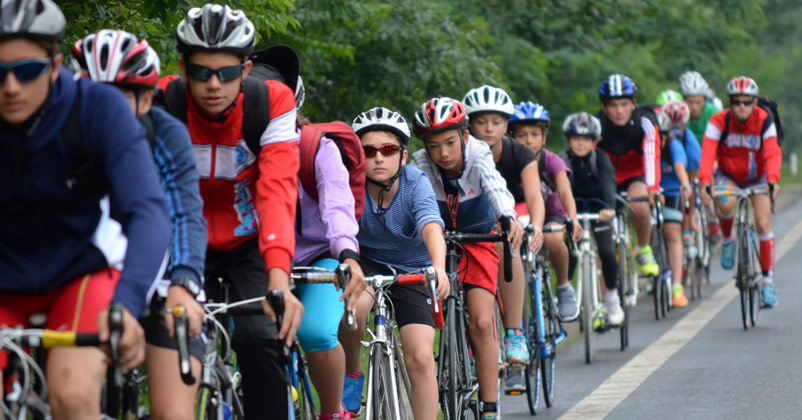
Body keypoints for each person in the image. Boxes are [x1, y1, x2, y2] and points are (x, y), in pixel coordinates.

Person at [0, 1, 170, 418]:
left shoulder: (97, 109)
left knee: (73, 395)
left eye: (27, 70)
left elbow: (148, 212)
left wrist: (127, 304)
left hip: (78, 273)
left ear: (56, 66)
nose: (11, 87)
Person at [160, 4, 304, 417]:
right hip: (183, 239)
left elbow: (277, 191)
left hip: (250, 239)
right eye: (201, 72)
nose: (213, 84)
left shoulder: (271, 101)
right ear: (183, 69)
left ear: (245, 70)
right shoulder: (162, 100)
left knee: (261, 337)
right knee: (170, 338)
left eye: (226, 73)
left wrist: (279, 281)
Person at [72, 30, 207, 420]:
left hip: (162, 280)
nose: (104, 113)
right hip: (90, 278)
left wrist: (184, 282)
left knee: (173, 412)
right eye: (94, 97)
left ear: (145, 100)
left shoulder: (166, 135)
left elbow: (184, 213)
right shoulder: (64, 136)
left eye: (117, 99)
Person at [412, 97, 524, 420]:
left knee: (481, 321)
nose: (443, 153)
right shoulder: (420, 164)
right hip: (438, 241)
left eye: (450, 142)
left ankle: (489, 408)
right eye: (434, 146)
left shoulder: (478, 153)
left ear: (464, 135)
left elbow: (495, 185)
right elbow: (413, 202)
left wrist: (507, 215)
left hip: (478, 238)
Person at [341, 106, 449, 419]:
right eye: (368, 151)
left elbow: (431, 226)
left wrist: (439, 267)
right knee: (354, 309)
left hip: (414, 270)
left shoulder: (416, 182)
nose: (378, 158)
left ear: (403, 156)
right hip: (367, 264)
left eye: (388, 150)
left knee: (421, 356)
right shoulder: (349, 183)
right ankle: (352, 371)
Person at [461, 87, 545, 391]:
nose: (488, 129)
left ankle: (514, 333)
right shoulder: (460, 152)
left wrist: (536, 226)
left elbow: (534, 195)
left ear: (506, 125)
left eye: (496, 122)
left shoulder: (520, 153)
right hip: (474, 220)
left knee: (507, 244)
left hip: (511, 216)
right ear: (470, 125)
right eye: (481, 122)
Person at [293, 82, 365, 420]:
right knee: (249, 335)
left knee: (316, 331)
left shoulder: (318, 148)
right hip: (259, 259)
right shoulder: (240, 149)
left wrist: (348, 255)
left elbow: (337, 207)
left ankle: (333, 412)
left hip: (319, 255)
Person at [700, 76, 781, 308]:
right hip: (729, 176)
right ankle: (728, 240)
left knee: (763, 224)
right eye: (737, 102)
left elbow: (772, 152)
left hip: (758, 177)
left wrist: (773, 180)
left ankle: (768, 282)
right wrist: (705, 181)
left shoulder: (764, 119)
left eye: (747, 102)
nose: (742, 106)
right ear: (730, 103)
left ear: (755, 102)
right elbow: (707, 153)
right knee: (724, 203)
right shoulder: (718, 121)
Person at [560, 112, 624, 325]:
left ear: (594, 141)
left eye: (586, 139)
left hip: (600, 210)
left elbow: (609, 182)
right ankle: (565, 292)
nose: (580, 143)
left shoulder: (600, 158)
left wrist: (609, 208)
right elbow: (558, 187)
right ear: (569, 139)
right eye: (576, 138)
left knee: (606, 252)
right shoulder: (563, 159)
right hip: (574, 211)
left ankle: (612, 298)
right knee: (570, 252)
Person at [597, 74, 661, 278]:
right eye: (613, 105)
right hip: (607, 178)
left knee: (640, 204)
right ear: (604, 107)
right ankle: (605, 293)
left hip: (635, 175)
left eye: (624, 104)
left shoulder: (645, 121)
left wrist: (652, 188)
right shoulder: (597, 125)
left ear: (633, 104)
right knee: (602, 234)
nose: (619, 111)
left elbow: (652, 153)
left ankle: (642, 248)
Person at [679, 70, 723, 243]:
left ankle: (715, 218)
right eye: (690, 102)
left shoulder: (713, 113)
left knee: (716, 182)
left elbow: (721, 141)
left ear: (705, 100)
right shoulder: (681, 115)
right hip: (689, 160)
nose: (694, 107)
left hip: (712, 157)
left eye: (698, 102)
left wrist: (716, 163)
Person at [655, 112, 691, 308]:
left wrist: (685, 185)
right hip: (651, 193)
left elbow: (680, 168)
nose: (658, 140)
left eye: (662, 136)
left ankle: (677, 286)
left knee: (672, 233)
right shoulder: (644, 147)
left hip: (672, 191)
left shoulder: (674, 146)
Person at [661, 100, 702, 258]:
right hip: (667, 178)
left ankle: (689, 225)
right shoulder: (663, 137)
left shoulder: (688, 138)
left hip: (684, 171)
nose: (675, 131)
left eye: (679, 126)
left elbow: (693, 170)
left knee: (688, 187)